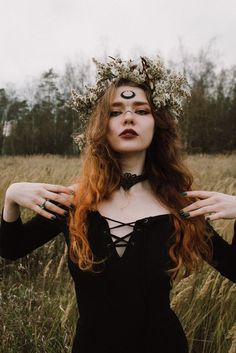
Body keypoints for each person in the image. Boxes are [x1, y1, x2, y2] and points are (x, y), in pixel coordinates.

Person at [0, 56, 235, 353]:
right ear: (102, 125)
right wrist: (11, 197)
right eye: (115, 112)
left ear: (156, 124)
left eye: (141, 110)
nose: (128, 118)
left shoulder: (182, 207)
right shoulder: (75, 202)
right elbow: (11, 249)